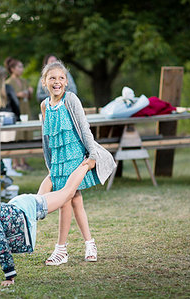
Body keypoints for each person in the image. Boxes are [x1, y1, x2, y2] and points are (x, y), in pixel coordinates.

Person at [0, 163, 91, 286]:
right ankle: (58, 168)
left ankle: (86, 164)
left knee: (68, 192)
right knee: (51, 194)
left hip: (27, 209)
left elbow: (2, 245)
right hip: (18, 207)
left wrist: (9, 277)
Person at [39, 60, 116, 265]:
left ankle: (61, 250)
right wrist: (50, 164)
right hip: (59, 160)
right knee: (76, 201)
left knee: (66, 199)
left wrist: (92, 155)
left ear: (66, 82)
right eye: (52, 78)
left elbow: (84, 128)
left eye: (61, 78)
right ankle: (90, 243)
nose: (57, 82)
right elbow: (46, 138)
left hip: (76, 156)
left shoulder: (70, 99)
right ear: (44, 82)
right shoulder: (45, 105)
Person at [4, 57, 33, 170]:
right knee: (16, 136)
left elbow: (28, 96)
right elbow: (7, 99)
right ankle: (15, 163)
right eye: (19, 67)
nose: (22, 69)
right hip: (15, 111)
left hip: (25, 109)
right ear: (12, 69)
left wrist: (29, 92)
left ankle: (24, 162)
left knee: (25, 135)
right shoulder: (8, 83)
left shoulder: (24, 81)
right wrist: (18, 94)